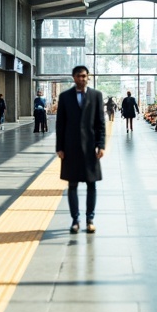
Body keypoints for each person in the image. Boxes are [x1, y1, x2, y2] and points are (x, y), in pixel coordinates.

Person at [55, 65, 106, 234]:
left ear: (88, 77)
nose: (82, 79)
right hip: (71, 148)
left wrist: (102, 145)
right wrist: (60, 147)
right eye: (79, 76)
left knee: (92, 184)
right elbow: (60, 124)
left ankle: (90, 219)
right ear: (73, 77)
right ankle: (75, 220)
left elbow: (100, 123)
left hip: (91, 147)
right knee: (72, 185)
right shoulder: (65, 97)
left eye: (84, 76)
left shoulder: (96, 96)